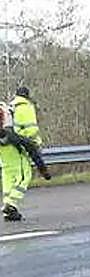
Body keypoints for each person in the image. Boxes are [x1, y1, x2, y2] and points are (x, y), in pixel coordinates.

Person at [0, 85, 51, 222]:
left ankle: (9, 208)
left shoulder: (10, 106)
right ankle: (10, 204)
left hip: (3, 145)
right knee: (24, 175)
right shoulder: (27, 106)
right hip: (17, 145)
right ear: (27, 95)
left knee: (8, 174)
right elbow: (30, 130)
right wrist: (32, 144)